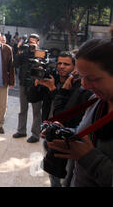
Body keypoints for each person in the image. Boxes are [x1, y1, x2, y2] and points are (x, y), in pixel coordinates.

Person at [45, 37, 113, 187]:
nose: (84, 85)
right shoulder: (97, 101)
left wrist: (89, 157)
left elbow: (88, 153)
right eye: (81, 77)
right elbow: (87, 137)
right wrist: (65, 134)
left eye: (93, 78)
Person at [35, 51, 93, 186]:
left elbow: (62, 114)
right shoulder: (51, 76)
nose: (61, 66)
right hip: (50, 133)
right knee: (53, 175)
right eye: (59, 63)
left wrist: (56, 90)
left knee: (66, 178)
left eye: (66, 64)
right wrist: (36, 83)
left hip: (68, 138)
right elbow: (32, 98)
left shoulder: (79, 87)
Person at [13, 33, 44, 143]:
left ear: (38, 43)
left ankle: (35, 135)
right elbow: (15, 64)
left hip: (36, 86)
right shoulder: (24, 53)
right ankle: (21, 131)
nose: (32, 44)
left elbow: (44, 66)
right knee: (23, 109)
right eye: (30, 42)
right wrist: (18, 48)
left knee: (36, 111)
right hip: (23, 85)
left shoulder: (41, 53)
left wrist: (36, 53)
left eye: (34, 42)